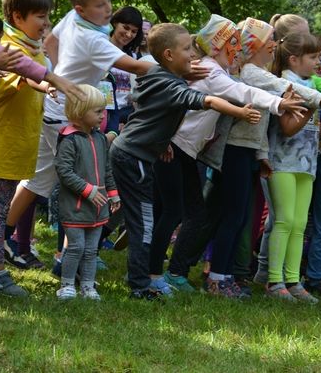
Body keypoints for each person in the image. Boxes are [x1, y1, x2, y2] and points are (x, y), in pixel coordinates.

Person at [3, 0, 155, 269]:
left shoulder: (73, 18)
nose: (108, 9)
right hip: (65, 119)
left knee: (38, 180)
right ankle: (65, 257)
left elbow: (51, 40)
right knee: (82, 183)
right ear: (81, 8)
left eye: (108, 2)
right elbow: (136, 66)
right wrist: (175, 70)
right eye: (100, 5)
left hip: (54, 111)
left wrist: (60, 71)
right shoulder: (92, 39)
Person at [148, 15, 302, 297]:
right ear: (218, 47)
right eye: (233, 41)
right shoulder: (210, 71)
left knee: (185, 212)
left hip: (184, 151)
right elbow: (242, 91)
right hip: (174, 148)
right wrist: (279, 102)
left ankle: (165, 271)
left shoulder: (213, 70)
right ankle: (155, 275)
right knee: (172, 213)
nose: (238, 46)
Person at [109, 22, 260, 300]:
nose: (193, 54)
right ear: (168, 54)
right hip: (136, 157)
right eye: (187, 49)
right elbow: (210, 101)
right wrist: (241, 112)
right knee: (146, 221)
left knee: (152, 215)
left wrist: (187, 72)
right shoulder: (172, 86)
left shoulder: (159, 74)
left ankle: (142, 272)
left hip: (133, 152)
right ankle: (143, 284)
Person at [0, 0, 67, 296]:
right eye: (40, 17)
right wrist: (49, 84)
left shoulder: (33, 49)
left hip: (12, 146)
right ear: (16, 16)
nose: (46, 24)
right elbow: (24, 77)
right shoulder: (10, 49)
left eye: (49, 18)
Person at [264, 31, 321, 303]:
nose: (318, 61)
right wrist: (315, 104)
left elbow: (315, 131)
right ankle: (274, 281)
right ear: (293, 59)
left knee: (300, 223)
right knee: (285, 220)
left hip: (306, 163)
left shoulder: (311, 86)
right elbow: (289, 129)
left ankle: (293, 280)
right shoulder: (286, 86)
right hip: (282, 161)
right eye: (313, 56)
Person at [54, 84, 120, 300]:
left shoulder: (100, 139)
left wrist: (113, 193)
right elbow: (64, 171)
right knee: (75, 247)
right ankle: (67, 285)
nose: (103, 117)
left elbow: (106, 169)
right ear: (80, 113)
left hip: (98, 207)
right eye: (98, 112)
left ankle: (88, 286)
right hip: (75, 206)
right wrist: (87, 189)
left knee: (92, 250)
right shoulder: (69, 139)